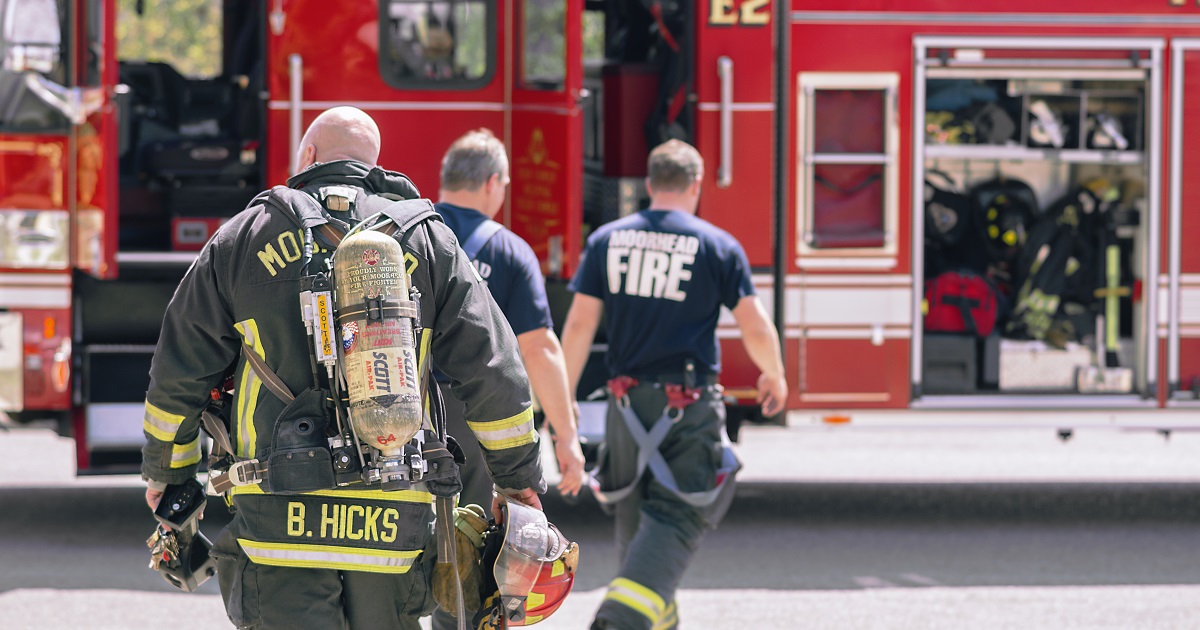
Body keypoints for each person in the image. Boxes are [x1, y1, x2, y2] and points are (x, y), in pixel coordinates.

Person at [140, 106, 545, 630]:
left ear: (307, 156)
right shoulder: (427, 238)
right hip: (391, 523)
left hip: (276, 522)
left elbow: (179, 370)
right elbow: (493, 368)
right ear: (373, 164)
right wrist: (518, 483)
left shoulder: (244, 236)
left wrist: (167, 475)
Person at [560, 139, 787, 630]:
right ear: (697, 185)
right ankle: (618, 621)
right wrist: (775, 373)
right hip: (687, 407)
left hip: (624, 408)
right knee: (680, 515)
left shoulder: (607, 240)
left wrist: (565, 404)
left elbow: (578, 328)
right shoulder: (717, 245)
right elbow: (754, 325)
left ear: (649, 184)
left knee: (635, 521)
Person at [428, 129, 587, 629]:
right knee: (468, 555)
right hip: (473, 418)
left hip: (400, 407)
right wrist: (567, 438)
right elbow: (538, 348)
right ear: (494, 184)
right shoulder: (510, 251)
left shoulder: (404, 235)